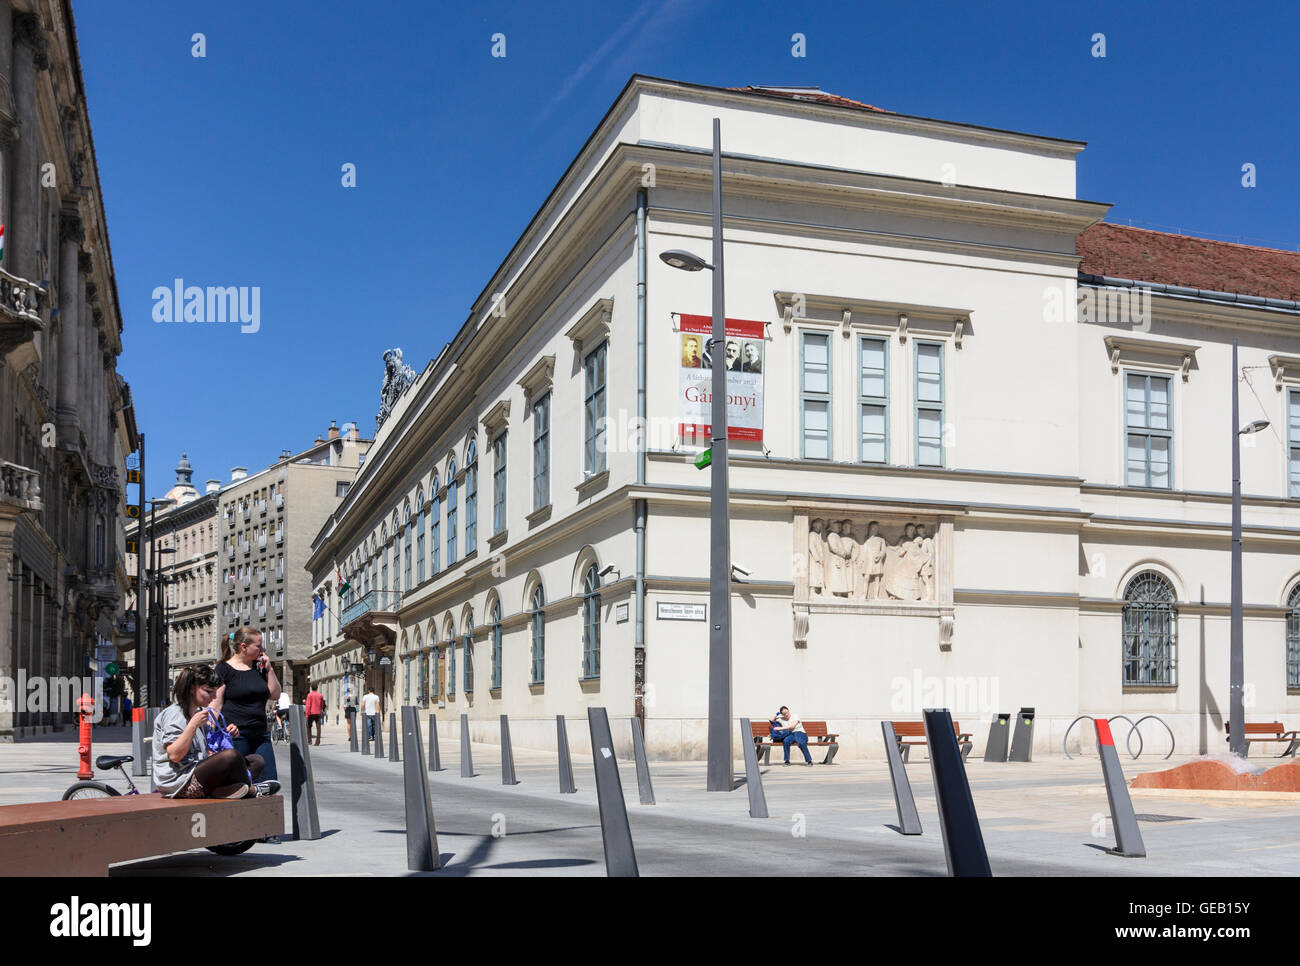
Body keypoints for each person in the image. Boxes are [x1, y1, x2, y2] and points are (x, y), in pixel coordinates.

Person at [152, 665, 278, 799]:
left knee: (256, 761)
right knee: (231, 756)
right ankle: (251, 790)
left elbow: (208, 750)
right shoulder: (175, 714)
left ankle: (223, 790)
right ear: (192, 688)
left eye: (215, 692)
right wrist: (193, 726)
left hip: (197, 773)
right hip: (179, 782)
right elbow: (174, 755)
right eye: (208, 691)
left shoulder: (198, 713)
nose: (213, 697)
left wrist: (225, 735)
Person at [215, 626, 282, 786]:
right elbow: (216, 703)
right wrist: (214, 731)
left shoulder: (259, 668)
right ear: (243, 647)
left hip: (260, 734)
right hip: (236, 735)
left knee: (269, 783)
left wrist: (269, 669)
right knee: (239, 785)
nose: (262, 649)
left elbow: (275, 694)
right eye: (258, 646)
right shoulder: (224, 669)